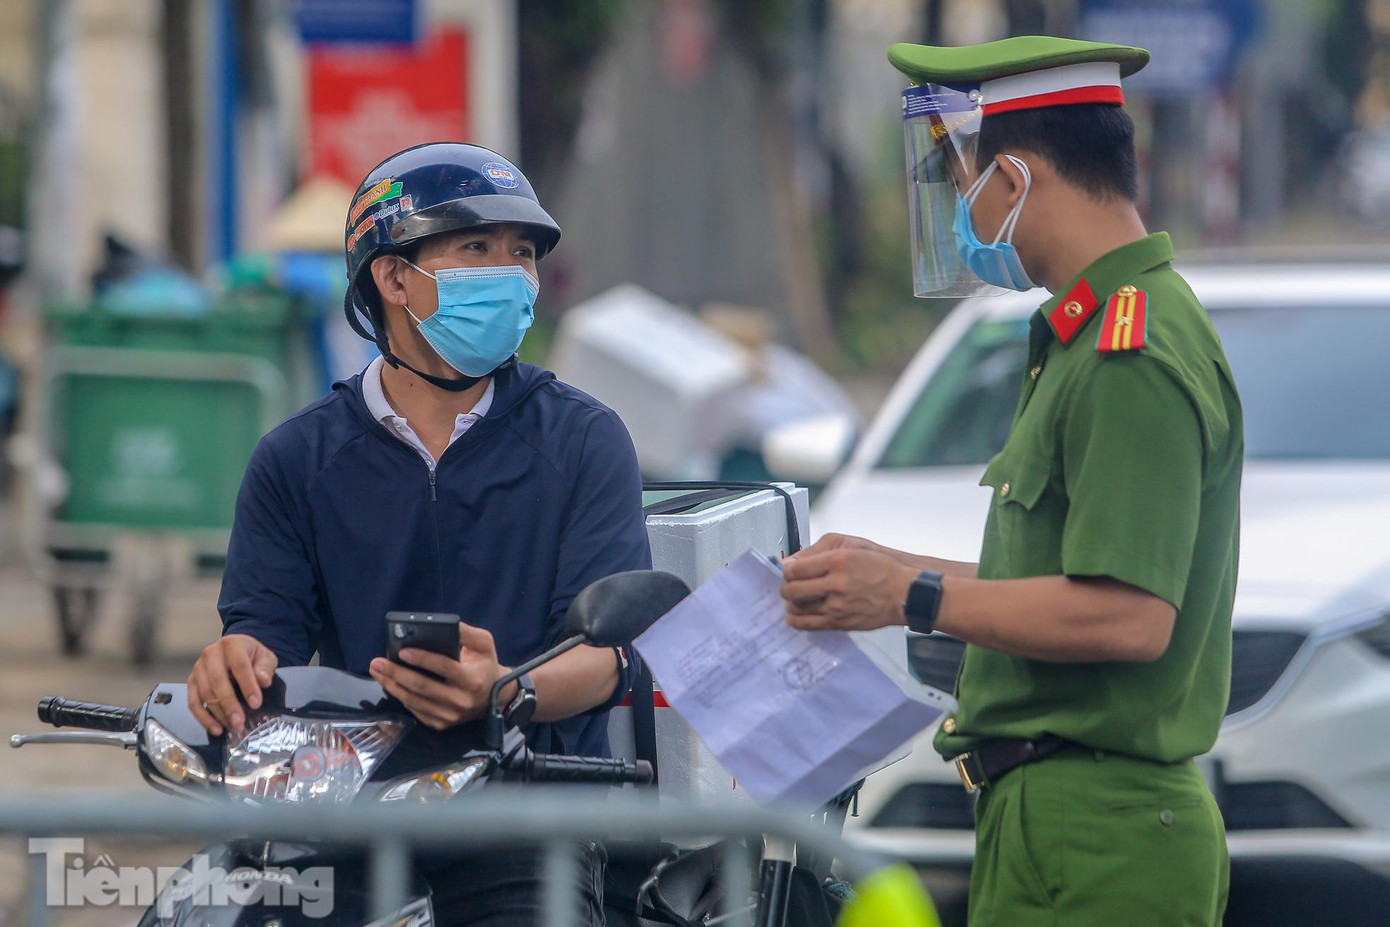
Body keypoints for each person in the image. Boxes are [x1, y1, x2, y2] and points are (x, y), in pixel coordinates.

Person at [780, 36, 1240, 927]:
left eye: (964, 177)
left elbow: (1129, 616)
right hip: (1051, 819)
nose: (961, 206)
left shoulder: (1130, 348)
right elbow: (1058, 583)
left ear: (1017, 177)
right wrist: (876, 571)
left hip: (1103, 834)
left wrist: (911, 595)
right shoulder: (1084, 334)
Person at [186, 142, 652, 926]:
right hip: (348, 813)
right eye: (477, 247)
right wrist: (230, 664)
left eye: (523, 253)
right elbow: (261, 637)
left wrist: (506, 687)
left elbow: (608, 655)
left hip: (528, 820)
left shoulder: (584, 439)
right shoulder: (296, 459)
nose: (511, 273)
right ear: (392, 276)